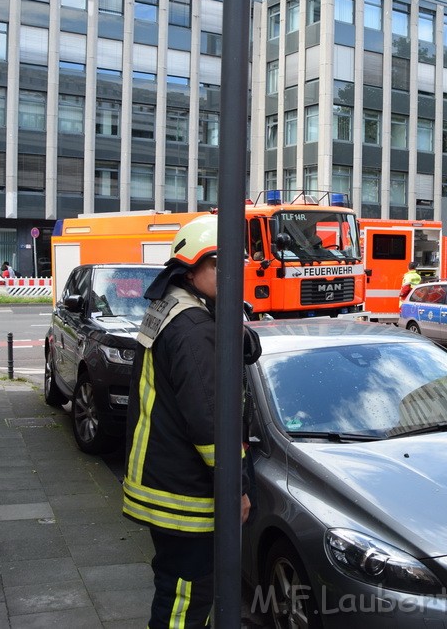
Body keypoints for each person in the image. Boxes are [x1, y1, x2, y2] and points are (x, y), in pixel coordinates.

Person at [123, 214, 261, 629]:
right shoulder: (194, 328)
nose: (230, 273)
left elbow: (241, 350)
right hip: (185, 494)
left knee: (176, 587)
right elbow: (211, 423)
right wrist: (235, 487)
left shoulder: (174, 305)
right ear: (192, 266)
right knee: (187, 596)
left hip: (161, 477)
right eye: (220, 264)